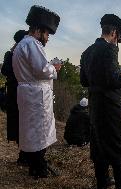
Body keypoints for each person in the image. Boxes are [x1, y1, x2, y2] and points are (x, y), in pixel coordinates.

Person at [80, 14, 121, 189]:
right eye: (119, 39)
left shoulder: (86, 52)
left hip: (95, 105)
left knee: (99, 144)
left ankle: (103, 182)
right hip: (110, 106)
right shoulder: (109, 49)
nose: (118, 43)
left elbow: (83, 81)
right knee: (117, 147)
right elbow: (114, 80)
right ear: (114, 33)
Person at [12, 5, 61, 178]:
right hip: (36, 95)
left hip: (27, 92)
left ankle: (34, 164)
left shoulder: (20, 45)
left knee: (30, 130)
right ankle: (39, 167)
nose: (47, 38)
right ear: (39, 30)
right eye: (47, 34)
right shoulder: (33, 44)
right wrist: (54, 68)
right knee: (39, 131)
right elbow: (42, 69)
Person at [1, 30, 28, 165]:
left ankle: (24, 154)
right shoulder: (13, 54)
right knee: (20, 123)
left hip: (16, 91)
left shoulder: (13, 53)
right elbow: (5, 70)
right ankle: (23, 155)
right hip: (16, 91)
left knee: (21, 123)